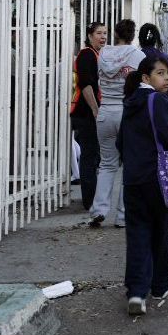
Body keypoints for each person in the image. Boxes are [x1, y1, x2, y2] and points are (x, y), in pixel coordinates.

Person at [117, 55, 168, 315]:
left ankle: (136, 292)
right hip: (157, 179)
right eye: (161, 73)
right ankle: (159, 285)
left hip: (132, 179)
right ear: (146, 78)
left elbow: (120, 142)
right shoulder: (157, 101)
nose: (166, 79)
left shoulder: (131, 103)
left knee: (137, 233)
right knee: (159, 231)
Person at [88, 19, 145, 228]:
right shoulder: (138, 56)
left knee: (106, 164)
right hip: (126, 113)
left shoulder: (103, 53)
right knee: (129, 165)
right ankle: (122, 216)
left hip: (105, 112)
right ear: (132, 35)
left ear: (115, 34)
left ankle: (99, 210)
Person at [70, 22, 106, 211]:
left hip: (91, 112)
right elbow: (86, 84)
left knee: (93, 156)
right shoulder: (86, 54)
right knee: (89, 156)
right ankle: (89, 200)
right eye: (99, 33)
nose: (103, 36)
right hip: (85, 113)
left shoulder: (97, 55)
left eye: (105, 33)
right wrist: (94, 109)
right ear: (90, 36)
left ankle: (91, 197)